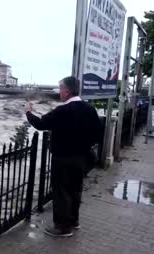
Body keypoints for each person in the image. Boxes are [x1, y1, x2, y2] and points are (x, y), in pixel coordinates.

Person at [25, 76, 102, 237]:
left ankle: (62, 227)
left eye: (60, 88)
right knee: (75, 190)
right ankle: (74, 221)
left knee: (61, 191)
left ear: (67, 91)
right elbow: (97, 134)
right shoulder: (89, 109)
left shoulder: (63, 110)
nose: (59, 92)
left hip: (63, 158)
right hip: (82, 158)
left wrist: (28, 112)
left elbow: (40, 124)